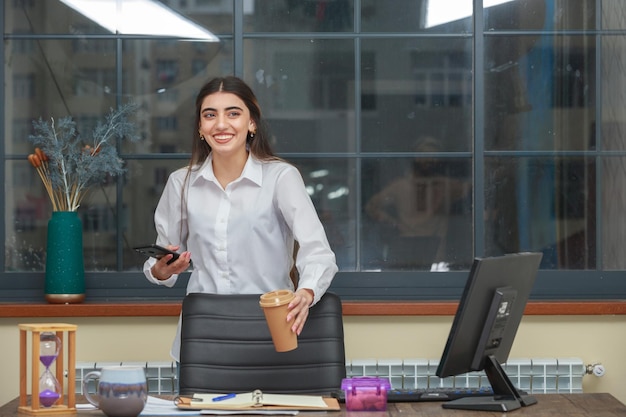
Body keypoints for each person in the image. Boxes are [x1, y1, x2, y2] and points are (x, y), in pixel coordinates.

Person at [143, 76, 338, 362]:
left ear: (252, 124)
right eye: (210, 115)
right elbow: (161, 262)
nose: (221, 124)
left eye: (233, 113)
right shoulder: (180, 182)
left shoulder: (281, 177)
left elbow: (318, 251)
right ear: (200, 127)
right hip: (203, 331)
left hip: (271, 328)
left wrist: (307, 292)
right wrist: (163, 270)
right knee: (200, 407)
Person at [365, 136, 470, 268]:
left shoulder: (446, 185)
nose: (429, 160)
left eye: (434, 156)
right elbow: (371, 207)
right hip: (406, 253)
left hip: (437, 257)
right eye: (424, 155)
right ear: (414, 157)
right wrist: (393, 223)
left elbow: (474, 187)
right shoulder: (400, 186)